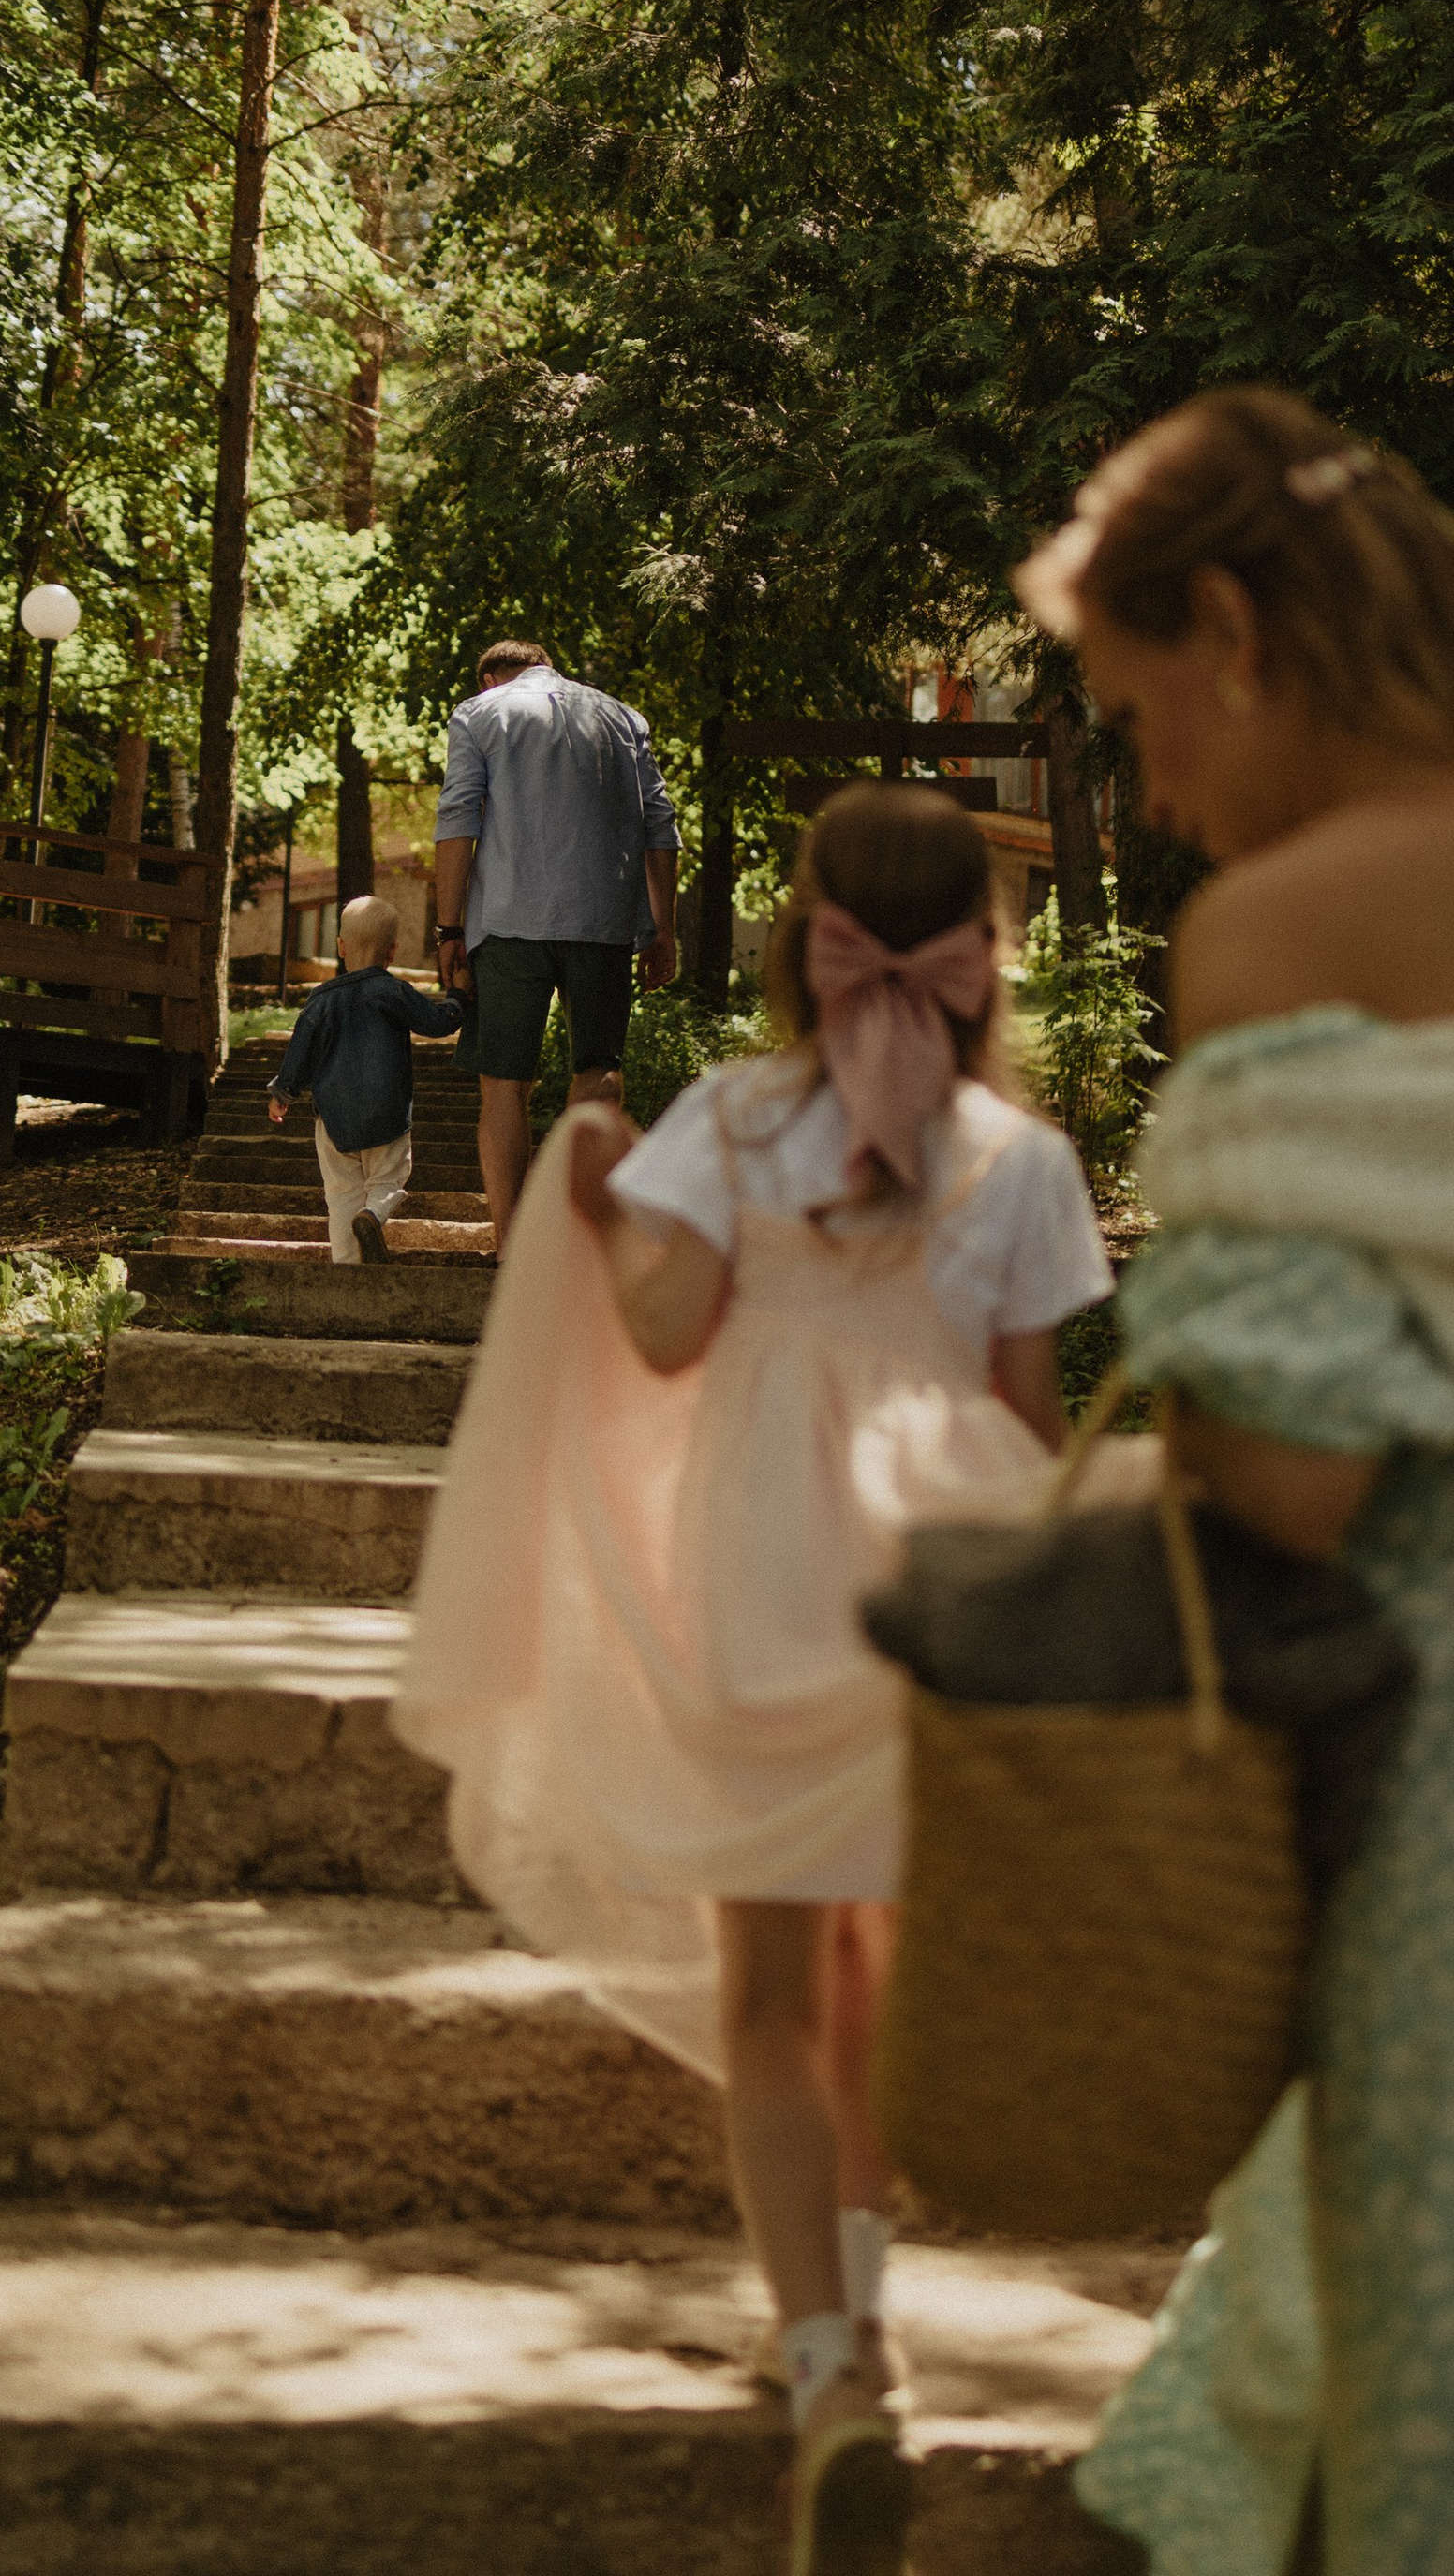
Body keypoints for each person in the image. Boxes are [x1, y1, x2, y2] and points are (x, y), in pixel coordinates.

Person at [1007, 387, 1454, 2576]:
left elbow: (1295, 1479)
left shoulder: (1282, 927)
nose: (1150, 790)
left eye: (1138, 715)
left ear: (1229, 625)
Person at [397, 783, 1113, 2576]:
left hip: (762, 1578)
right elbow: (1030, 1419)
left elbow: (662, 1333)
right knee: (880, 1973)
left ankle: (821, 2372)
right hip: (934, 1584)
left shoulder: (728, 1120)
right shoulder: (1017, 1161)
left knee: (775, 1996)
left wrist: (586, 1183)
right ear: (976, 952)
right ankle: (870, 2325)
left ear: (805, 936)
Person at [430, 638, 680, 1244]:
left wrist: (449, 929)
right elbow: (659, 822)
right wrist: (663, 929)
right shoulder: (623, 718)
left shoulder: (479, 712)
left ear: (491, 676)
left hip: (509, 922)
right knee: (598, 1071)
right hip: (603, 922)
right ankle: (578, 1241)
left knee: (504, 1081)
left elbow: (459, 815)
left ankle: (512, 1246)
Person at [266, 895, 463, 1266]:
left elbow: (301, 1051)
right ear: (392, 951)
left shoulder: (320, 1001)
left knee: (341, 1193)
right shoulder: (393, 991)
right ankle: (373, 1214)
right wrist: (458, 998)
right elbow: (438, 1024)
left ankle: (346, 1264)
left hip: (334, 1120)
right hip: (386, 1115)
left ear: (340, 946)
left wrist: (283, 1091)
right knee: (389, 1177)